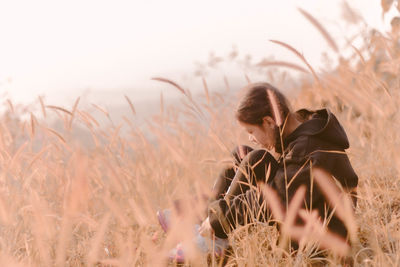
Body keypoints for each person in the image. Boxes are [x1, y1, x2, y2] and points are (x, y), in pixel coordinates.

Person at [198, 82, 358, 250]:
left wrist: (222, 217)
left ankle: (213, 233)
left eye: (251, 132)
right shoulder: (300, 132)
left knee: (257, 159)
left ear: (268, 121)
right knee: (247, 155)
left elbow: (273, 199)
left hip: (322, 240)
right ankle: (204, 222)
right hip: (306, 214)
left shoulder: (307, 149)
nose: (251, 138)